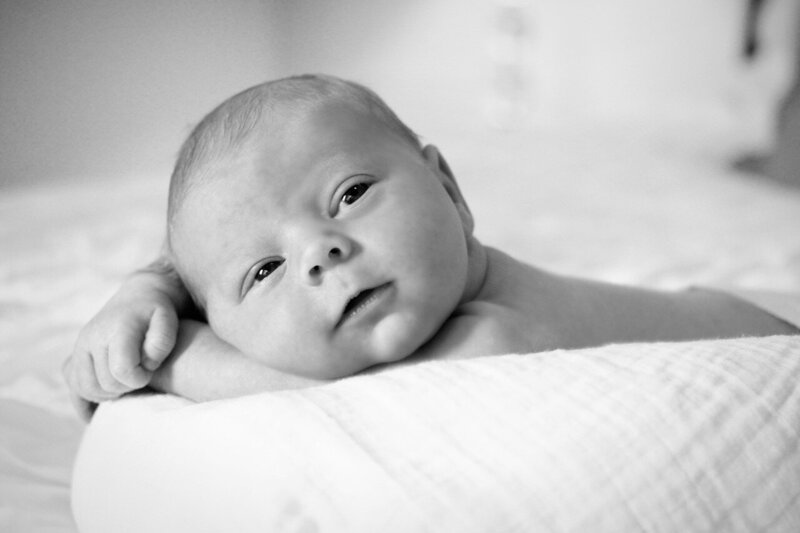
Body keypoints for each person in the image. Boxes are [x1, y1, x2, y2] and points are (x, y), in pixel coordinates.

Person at [63, 74, 799, 418]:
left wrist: (176, 362)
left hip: (765, 331)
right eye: (264, 269)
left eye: (348, 196)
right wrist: (147, 289)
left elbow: (344, 400)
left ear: (449, 189)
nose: (319, 251)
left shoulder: (493, 336)